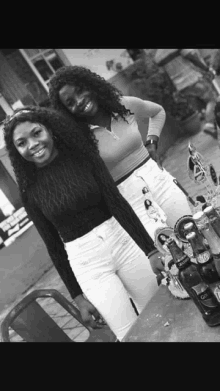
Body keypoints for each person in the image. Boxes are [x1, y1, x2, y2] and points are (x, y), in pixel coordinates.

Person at [3, 106, 163, 341]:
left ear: (49, 129)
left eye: (37, 133)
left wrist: (150, 250)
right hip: (88, 264)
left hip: (123, 242)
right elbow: (53, 245)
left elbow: (117, 203)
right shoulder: (29, 190)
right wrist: (77, 296)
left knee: (157, 312)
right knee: (129, 334)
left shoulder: (84, 156)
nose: (33, 144)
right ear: (16, 151)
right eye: (22, 143)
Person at [48, 66, 192, 242]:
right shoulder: (78, 139)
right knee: (170, 254)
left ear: (91, 85)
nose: (78, 101)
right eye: (70, 102)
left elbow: (157, 112)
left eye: (80, 90)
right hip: (131, 202)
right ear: (66, 111)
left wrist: (152, 143)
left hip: (160, 182)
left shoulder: (121, 105)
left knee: (192, 232)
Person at [154, 48, 217, 133]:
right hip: (193, 79)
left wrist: (173, 90)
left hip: (181, 86)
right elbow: (191, 57)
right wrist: (206, 68)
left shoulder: (157, 57)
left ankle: (214, 125)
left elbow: (165, 75)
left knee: (201, 107)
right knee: (212, 100)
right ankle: (209, 124)